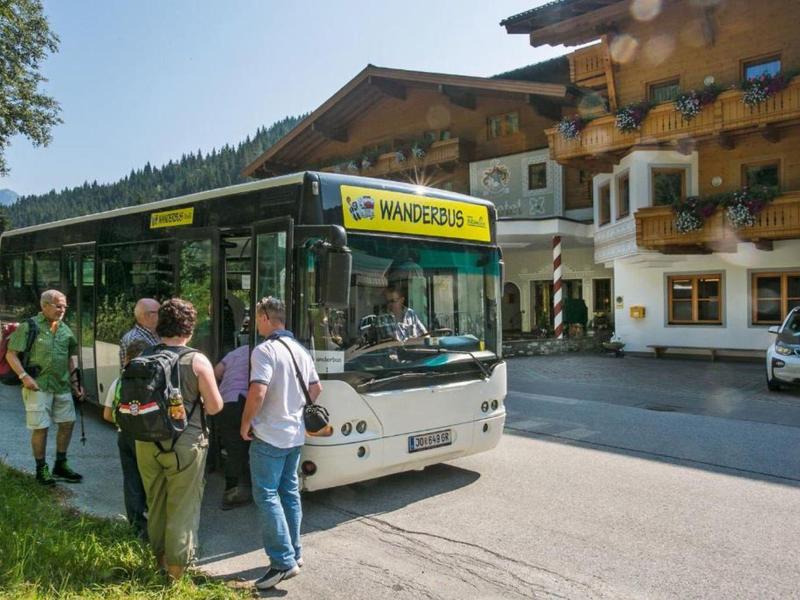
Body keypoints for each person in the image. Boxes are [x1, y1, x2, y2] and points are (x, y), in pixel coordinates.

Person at [134, 298, 223, 581]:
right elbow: (215, 405)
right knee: (183, 507)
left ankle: (159, 562)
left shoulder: (143, 355)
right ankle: (175, 577)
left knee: (156, 503)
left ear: (159, 327)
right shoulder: (196, 360)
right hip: (186, 444)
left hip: (146, 441)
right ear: (190, 330)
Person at [241, 296, 322, 591]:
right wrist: (293, 409)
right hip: (295, 434)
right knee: (289, 492)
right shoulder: (300, 349)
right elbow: (316, 388)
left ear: (264, 317)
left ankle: (281, 562)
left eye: (255, 316)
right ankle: (295, 554)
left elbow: (257, 392)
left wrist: (246, 422)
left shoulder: (265, 351)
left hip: (270, 435)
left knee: (266, 495)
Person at [6, 290, 84, 485]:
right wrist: (24, 377)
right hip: (37, 386)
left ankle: (60, 464)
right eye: (58, 306)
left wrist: (76, 384)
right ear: (45, 306)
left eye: (65, 306)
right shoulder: (29, 326)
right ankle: (41, 468)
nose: (63, 310)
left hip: (62, 386)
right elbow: (11, 354)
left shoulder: (65, 329)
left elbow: (69, 358)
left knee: (67, 423)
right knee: (41, 428)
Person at [101, 338, 151, 539]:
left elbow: (106, 414)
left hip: (124, 436)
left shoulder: (119, 381)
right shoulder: (152, 381)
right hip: (147, 438)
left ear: (127, 359)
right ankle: (154, 524)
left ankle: (136, 526)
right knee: (150, 480)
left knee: (131, 480)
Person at [213, 343, 252, 510]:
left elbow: (216, 372)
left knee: (233, 449)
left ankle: (233, 488)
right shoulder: (262, 351)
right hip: (242, 402)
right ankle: (232, 495)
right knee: (242, 449)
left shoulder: (237, 351)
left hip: (225, 402)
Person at [119, 298, 160, 368]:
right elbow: (139, 373)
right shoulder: (135, 338)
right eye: (159, 312)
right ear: (147, 315)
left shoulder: (157, 333)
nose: (163, 315)